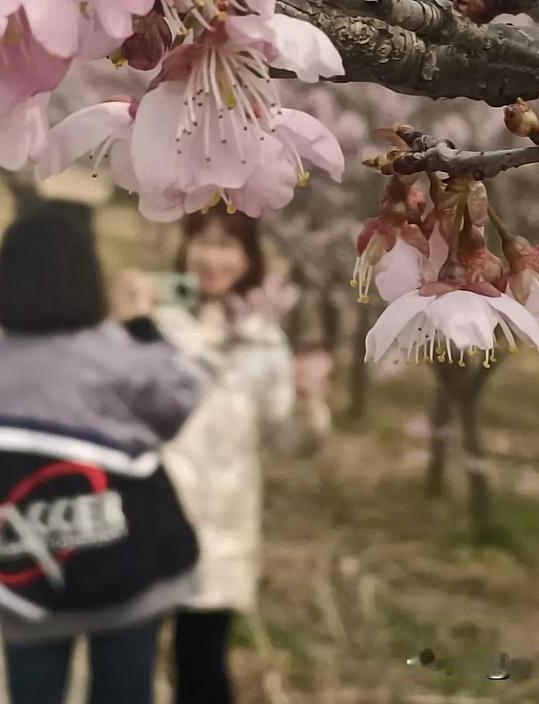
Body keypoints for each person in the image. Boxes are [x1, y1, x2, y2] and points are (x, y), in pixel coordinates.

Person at [0, 201, 203, 704]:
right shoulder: (115, 352)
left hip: (28, 581)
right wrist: (143, 328)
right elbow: (179, 401)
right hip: (128, 574)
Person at [150, 204, 333, 704]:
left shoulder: (265, 341)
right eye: (202, 242)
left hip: (220, 530)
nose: (212, 258)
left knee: (202, 667)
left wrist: (305, 399)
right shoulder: (156, 325)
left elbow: (288, 443)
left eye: (227, 245)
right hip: (149, 519)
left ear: (249, 258)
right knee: (132, 663)